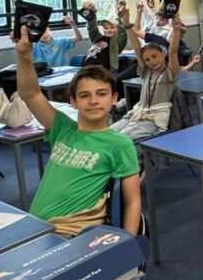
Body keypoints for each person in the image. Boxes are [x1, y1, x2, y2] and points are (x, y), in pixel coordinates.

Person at [12, 28, 140, 237]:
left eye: (101, 94)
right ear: (73, 101)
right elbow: (30, 93)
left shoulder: (119, 144)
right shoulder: (62, 128)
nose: (93, 100)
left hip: (69, 233)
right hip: (35, 227)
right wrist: (23, 54)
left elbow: (133, 202)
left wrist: (128, 245)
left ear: (114, 99)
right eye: (84, 95)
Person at [110, 8, 181, 140]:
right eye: (147, 59)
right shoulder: (147, 71)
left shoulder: (169, 73)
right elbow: (137, 47)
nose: (151, 61)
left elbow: (173, 52)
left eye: (154, 56)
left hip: (152, 121)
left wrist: (176, 30)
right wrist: (127, 24)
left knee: (118, 140)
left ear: (163, 53)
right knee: (106, 134)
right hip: (136, 114)